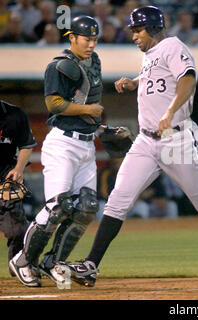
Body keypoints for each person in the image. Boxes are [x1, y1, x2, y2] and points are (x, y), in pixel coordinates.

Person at [62, 6, 198, 287]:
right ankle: (90, 266)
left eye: (138, 30)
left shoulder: (173, 46)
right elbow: (157, 79)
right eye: (133, 30)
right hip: (145, 141)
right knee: (118, 200)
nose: (133, 36)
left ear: (154, 28)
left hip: (177, 139)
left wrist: (169, 112)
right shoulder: (150, 56)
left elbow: (187, 79)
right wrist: (134, 83)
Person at [9, 15, 104, 287]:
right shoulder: (60, 65)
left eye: (95, 39)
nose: (91, 44)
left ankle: (52, 261)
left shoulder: (93, 61)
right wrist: (87, 111)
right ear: (72, 37)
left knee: (86, 208)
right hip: (63, 143)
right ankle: (23, 260)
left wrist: (102, 127)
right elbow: (53, 103)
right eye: (87, 38)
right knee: (57, 208)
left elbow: (89, 102)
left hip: (86, 144)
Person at [0, 100, 37, 276]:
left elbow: (26, 145)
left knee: (18, 229)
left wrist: (19, 169)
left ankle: (19, 266)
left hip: (5, 178)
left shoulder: (14, 114)